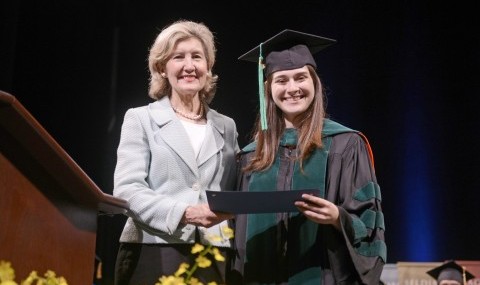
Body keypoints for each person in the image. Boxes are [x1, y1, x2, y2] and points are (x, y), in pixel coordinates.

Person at [229, 29, 386, 284]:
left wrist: (338, 217)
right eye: (281, 80)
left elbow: (368, 223)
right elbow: (237, 235)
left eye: (300, 77)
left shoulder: (345, 145)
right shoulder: (251, 157)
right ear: (268, 89)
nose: (292, 88)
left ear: (314, 82)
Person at [113, 20, 239, 285]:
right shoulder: (140, 119)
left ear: (208, 67)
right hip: (152, 249)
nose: (189, 66)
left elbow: (235, 188)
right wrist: (186, 213)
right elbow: (127, 190)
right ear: (162, 68)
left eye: (197, 57)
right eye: (178, 57)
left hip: (212, 252)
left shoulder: (226, 126)